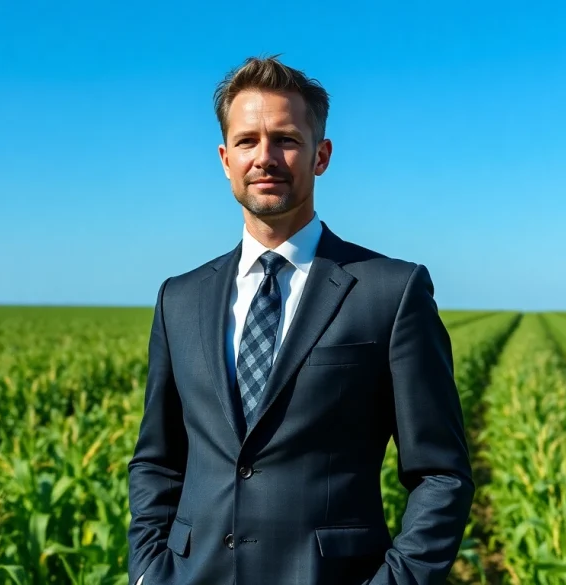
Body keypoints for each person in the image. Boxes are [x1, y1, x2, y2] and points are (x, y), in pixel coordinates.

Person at [126, 55, 473, 585]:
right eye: (247, 141)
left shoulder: (390, 290)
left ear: (321, 155)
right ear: (224, 158)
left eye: (285, 139)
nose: (265, 158)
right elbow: (157, 460)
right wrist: (149, 572)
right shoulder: (180, 297)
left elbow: (440, 474)